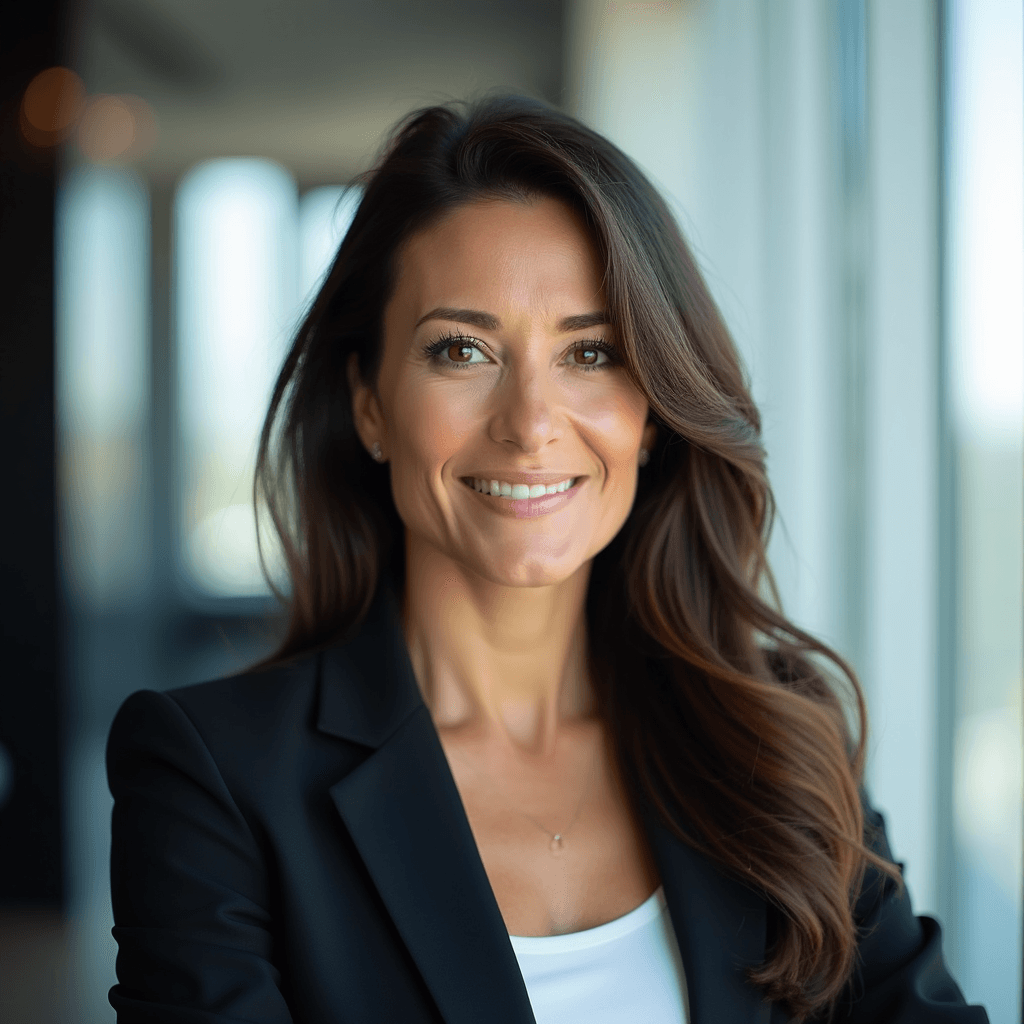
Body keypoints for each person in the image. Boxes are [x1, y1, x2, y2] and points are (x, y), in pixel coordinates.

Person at [106, 96, 987, 1024]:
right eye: (462, 349)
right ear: (369, 404)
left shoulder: (778, 737)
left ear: (653, 414)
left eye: (592, 352)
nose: (530, 424)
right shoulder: (216, 777)